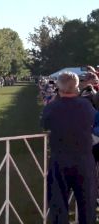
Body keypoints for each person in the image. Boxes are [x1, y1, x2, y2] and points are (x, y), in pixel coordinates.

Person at [41, 71, 97, 223]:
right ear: (77, 87)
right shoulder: (86, 106)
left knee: (58, 207)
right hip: (84, 160)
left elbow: (44, 124)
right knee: (88, 206)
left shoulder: (52, 107)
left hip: (60, 159)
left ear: (59, 87)